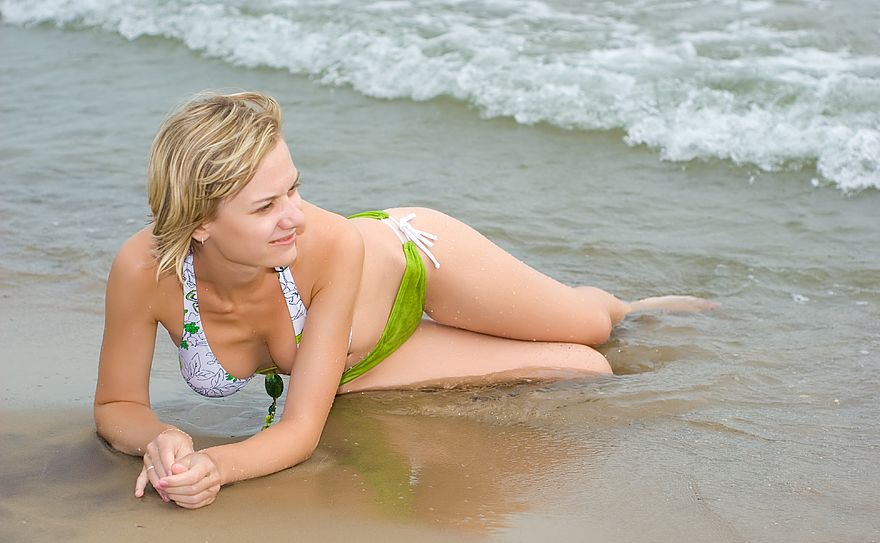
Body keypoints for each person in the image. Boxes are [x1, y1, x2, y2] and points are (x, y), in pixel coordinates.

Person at [94, 91, 717, 510]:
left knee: (590, 328)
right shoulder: (142, 270)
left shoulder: (329, 241)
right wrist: (162, 437)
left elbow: (301, 430)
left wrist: (219, 466)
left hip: (418, 259)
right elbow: (118, 404)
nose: (296, 217)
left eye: (295, 189)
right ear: (199, 223)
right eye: (265, 206)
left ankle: (633, 304)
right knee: (584, 369)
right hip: (359, 358)